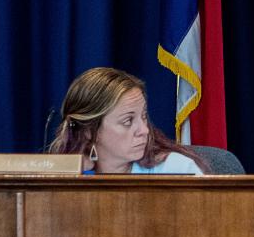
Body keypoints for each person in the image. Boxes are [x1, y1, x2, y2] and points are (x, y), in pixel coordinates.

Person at [47, 67, 206, 175]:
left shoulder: (178, 170)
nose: (144, 130)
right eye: (128, 121)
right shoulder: (62, 177)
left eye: (143, 116)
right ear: (88, 131)